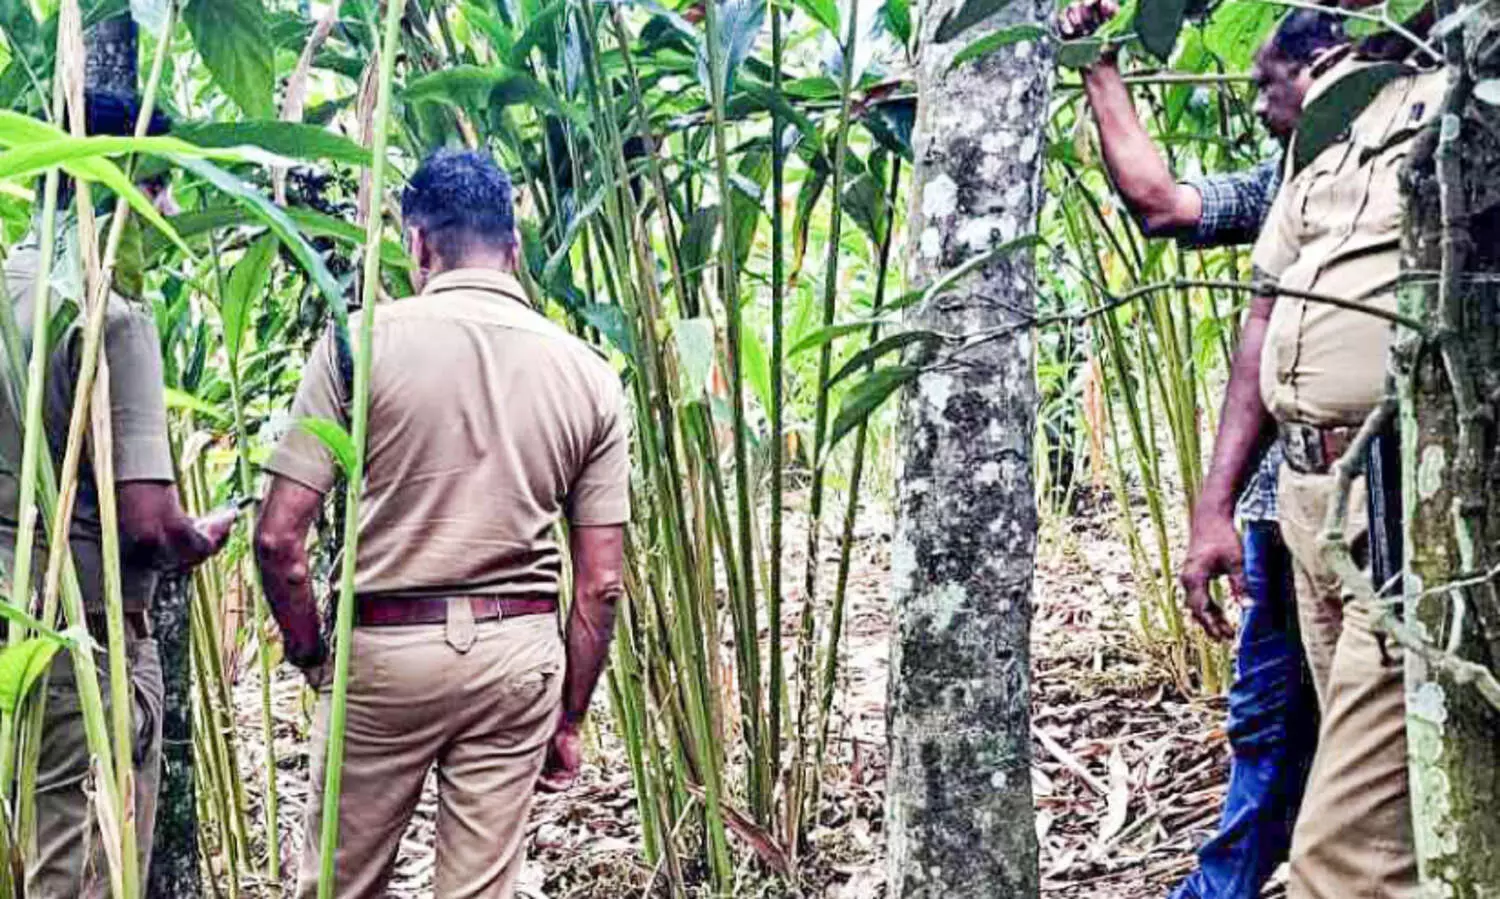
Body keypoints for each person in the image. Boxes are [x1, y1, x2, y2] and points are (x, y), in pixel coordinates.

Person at [255, 149, 631, 899]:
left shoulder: (357, 343)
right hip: (516, 657)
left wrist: (313, 655)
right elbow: (601, 583)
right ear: (515, 249)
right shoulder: (589, 373)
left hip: (384, 651)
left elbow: (277, 538)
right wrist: (568, 716)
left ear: (418, 244)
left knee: (338, 887)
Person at [1057, 4, 1345, 897]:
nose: (1256, 105)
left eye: (1268, 84)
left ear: (1326, 70)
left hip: (1378, 504)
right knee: (1273, 721)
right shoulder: (1289, 184)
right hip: (1283, 505)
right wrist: (1098, 65)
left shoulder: (1408, 175)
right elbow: (1166, 203)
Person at [1181, 8, 1445, 896]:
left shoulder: (1459, 103)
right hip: (1306, 496)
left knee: (1342, 848)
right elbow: (1265, 312)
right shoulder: (1322, 138)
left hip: (1398, 488)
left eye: (1269, 83)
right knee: (1395, 806)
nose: (1260, 103)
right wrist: (1214, 507)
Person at [0, 90, 236, 897]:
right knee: (77, 862)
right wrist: (196, 535)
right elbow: (147, 521)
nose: (167, 210)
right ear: (113, 184)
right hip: (79, 640)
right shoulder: (111, 313)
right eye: (156, 185)